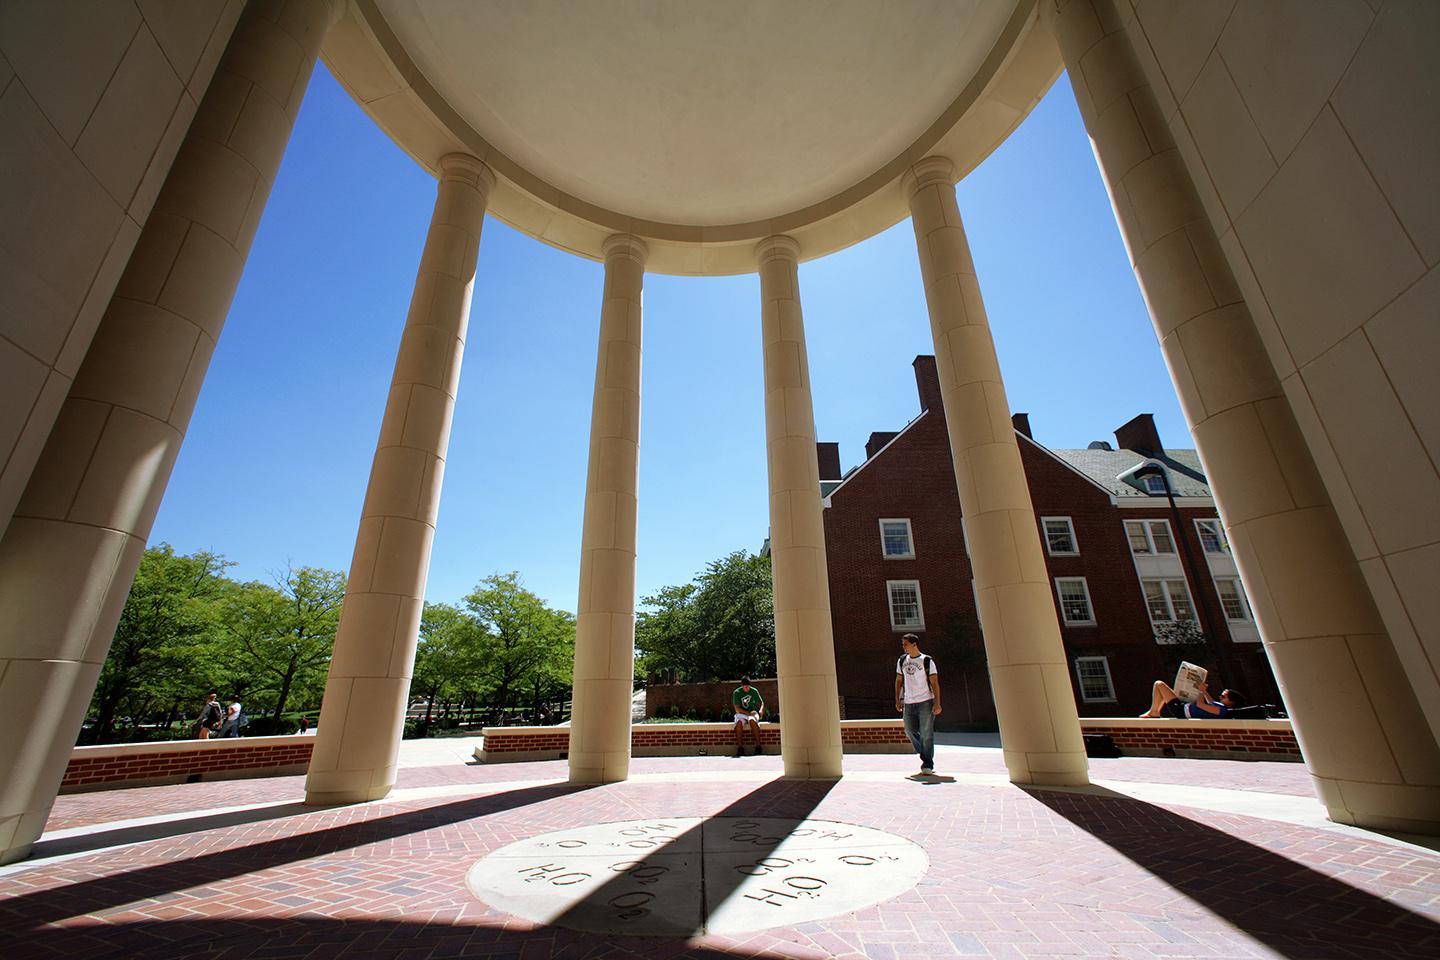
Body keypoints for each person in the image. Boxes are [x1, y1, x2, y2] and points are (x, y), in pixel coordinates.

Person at [895, 634, 941, 776]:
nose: (904, 647)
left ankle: (927, 763)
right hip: (909, 701)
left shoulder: (926, 661)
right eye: (903, 644)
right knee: (909, 731)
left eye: (906, 644)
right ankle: (925, 753)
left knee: (926, 734)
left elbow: (934, 682)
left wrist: (937, 703)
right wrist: (897, 699)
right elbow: (898, 680)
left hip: (925, 701)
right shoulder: (902, 660)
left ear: (914, 644)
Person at [1140, 679, 1243, 718]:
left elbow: (1200, 705)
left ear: (1231, 702)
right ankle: (1154, 712)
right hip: (1182, 707)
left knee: (1159, 684)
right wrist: (1203, 688)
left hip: (1181, 710)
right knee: (1168, 691)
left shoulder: (1221, 711)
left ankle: (1154, 712)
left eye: (1223, 696)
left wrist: (1201, 691)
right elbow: (1210, 701)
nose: (1220, 697)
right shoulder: (1220, 707)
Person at [731, 677, 764, 756]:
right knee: (739, 723)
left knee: (752, 721)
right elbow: (737, 709)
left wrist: (761, 710)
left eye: (748, 686)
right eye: (745, 686)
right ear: (741, 685)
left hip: (752, 712)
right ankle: (740, 748)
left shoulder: (754, 691)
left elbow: (761, 702)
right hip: (741, 713)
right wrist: (748, 714)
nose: (746, 688)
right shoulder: (737, 692)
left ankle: (758, 747)